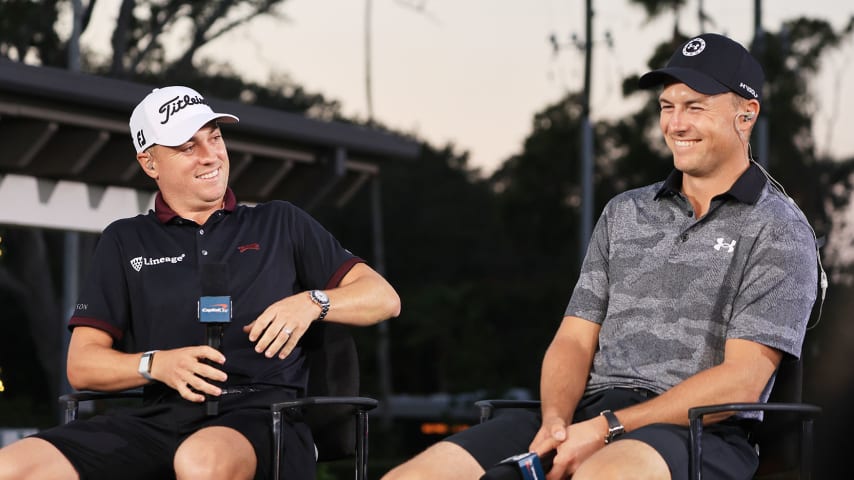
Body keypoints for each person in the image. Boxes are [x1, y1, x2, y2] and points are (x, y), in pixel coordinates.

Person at [382, 33, 819, 480]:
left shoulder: (779, 228)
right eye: (668, 107)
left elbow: (741, 381)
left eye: (695, 107)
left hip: (700, 432)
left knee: (599, 475)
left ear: (746, 115)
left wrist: (608, 429)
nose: (676, 124)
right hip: (588, 415)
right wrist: (555, 422)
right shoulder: (624, 212)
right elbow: (573, 340)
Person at [0, 85, 401, 480]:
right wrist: (156, 363)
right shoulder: (124, 239)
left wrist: (313, 302)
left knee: (201, 460)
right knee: (13, 466)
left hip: (266, 417)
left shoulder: (280, 221)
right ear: (149, 163)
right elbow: (83, 366)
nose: (211, 155)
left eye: (215, 137)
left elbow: (383, 298)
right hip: (159, 418)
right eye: (188, 146)